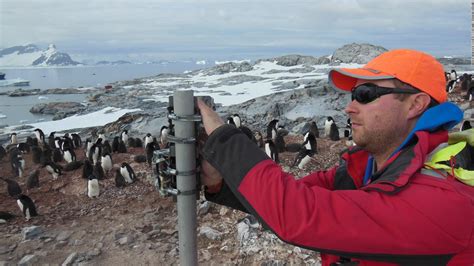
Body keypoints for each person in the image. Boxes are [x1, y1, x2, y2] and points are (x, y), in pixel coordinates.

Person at [197, 49, 474, 265]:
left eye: (365, 94)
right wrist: (219, 182)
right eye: (353, 94)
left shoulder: (444, 199)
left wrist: (224, 138)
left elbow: (298, 214)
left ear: (416, 104)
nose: (349, 107)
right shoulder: (370, 165)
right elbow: (294, 194)